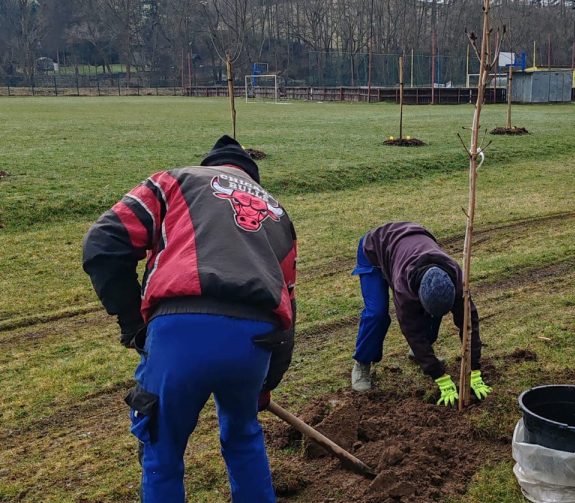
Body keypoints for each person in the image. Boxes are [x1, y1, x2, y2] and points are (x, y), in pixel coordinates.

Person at [82, 135, 297, 503]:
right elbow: (289, 308)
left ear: (209, 165)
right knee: (243, 437)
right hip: (254, 340)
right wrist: (265, 384)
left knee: (162, 454)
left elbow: (102, 243)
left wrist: (135, 324)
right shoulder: (277, 214)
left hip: (180, 332)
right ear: (251, 179)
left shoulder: (174, 181)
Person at [350, 222, 491, 406]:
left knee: (434, 310)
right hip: (375, 249)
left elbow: (469, 323)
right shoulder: (404, 288)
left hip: (412, 241)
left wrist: (475, 369)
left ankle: (420, 354)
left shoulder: (456, 280)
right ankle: (362, 363)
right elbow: (412, 331)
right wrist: (438, 375)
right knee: (377, 314)